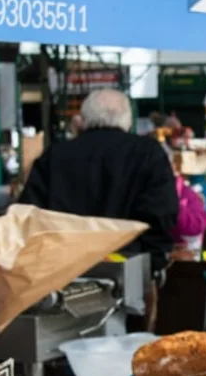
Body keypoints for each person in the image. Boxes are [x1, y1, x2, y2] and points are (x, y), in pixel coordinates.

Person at [18, 89, 178, 271]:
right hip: (130, 267)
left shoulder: (55, 156)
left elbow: (29, 214)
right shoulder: (149, 154)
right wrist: (152, 261)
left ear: (83, 119)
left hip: (64, 270)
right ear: (127, 120)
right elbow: (162, 213)